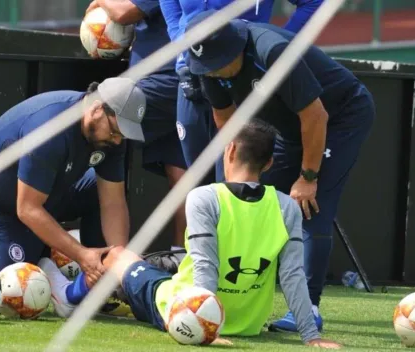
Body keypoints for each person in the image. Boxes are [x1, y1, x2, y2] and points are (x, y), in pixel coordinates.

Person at [39, 120, 342, 349]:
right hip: (246, 326)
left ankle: (67, 295)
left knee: (117, 255)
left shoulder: (205, 197)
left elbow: (205, 266)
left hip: (184, 312)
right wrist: (311, 336)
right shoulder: (286, 206)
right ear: (270, 164)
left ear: (230, 150)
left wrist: (207, 326)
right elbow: (292, 274)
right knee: (155, 265)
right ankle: (103, 292)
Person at [184, 10, 375, 333]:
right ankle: (214, 300)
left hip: (339, 116)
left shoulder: (271, 51)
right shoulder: (206, 63)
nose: (212, 72)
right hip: (288, 127)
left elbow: (316, 116)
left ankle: (309, 308)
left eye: (218, 63)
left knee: (310, 205)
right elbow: (227, 123)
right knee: (236, 193)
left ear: (234, 48)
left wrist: (308, 177)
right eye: (207, 67)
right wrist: (232, 183)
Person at [0, 78, 146, 287]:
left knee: (94, 187)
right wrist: (81, 255)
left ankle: (94, 271)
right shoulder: (49, 127)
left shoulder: (112, 138)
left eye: (123, 135)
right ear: (97, 108)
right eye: (115, 131)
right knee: (9, 287)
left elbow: (113, 201)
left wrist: (121, 260)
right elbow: (27, 208)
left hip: (44, 195)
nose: (117, 141)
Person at [158, 0, 324, 182]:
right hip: (191, 73)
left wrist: (281, 39)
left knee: (238, 182)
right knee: (198, 183)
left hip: (244, 78)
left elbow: (314, 2)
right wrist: (182, 46)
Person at [85, 0, 189, 251]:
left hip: (165, 80)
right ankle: (183, 255)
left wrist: (100, 1)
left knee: (97, 119)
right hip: (174, 79)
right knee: (179, 169)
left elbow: (123, 13)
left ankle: (94, 245)